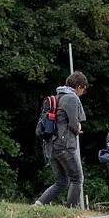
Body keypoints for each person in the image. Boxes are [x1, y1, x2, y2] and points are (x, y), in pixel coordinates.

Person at [35, 72, 89, 207]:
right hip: (64, 145)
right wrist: (78, 128)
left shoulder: (57, 97)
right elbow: (73, 124)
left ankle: (38, 205)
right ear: (79, 87)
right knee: (77, 179)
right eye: (84, 89)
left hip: (50, 146)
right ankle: (71, 210)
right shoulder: (72, 98)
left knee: (61, 182)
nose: (83, 92)